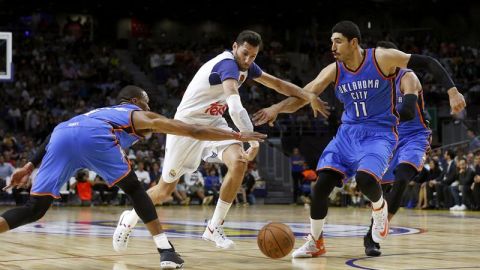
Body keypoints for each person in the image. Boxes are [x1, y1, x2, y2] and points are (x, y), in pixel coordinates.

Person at [252, 20, 465, 259]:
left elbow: (429, 62)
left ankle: (379, 209)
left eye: (338, 41)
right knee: (321, 186)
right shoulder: (334, 69)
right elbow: (305, 94)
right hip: (348, 134)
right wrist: (276, 109)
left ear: (354, 42)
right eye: (331, 41)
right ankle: (315, 242)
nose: (332, 46)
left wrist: (452, 90)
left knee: (365, 179)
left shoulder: (382, 58)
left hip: (380, 133)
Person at [0, 85, 266, 269]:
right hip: (92, 137)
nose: (149, 105)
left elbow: (56, 132)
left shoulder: (95, 112)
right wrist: (235, 135)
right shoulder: (135, 114)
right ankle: (166, 251)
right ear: (136, 101)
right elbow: (194, 130)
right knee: (135, 190)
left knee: (34, 208)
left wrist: (29, 165)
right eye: (146, 101)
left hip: (60, 135)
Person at [112, 30, 322, 251]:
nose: (248, 60)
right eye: (245, 53)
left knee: (239, 161)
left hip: (213, 122)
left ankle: (214, 227)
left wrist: (308, 96)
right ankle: (129, 219)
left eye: (253, 56)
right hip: (186, 126)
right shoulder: (227, 64)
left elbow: (278, 84)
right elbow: (234, 105)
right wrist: (252, 140)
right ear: (234, 47)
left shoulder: (247, 66)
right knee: (164, 191)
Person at [362, 41, 432, 257]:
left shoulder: (408, 77)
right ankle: (374, 227)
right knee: (378, 188)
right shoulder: (378, 83)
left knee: (402, 178)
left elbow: (408, 111)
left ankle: (372, 236)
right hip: (390, 138)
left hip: (415, 136)